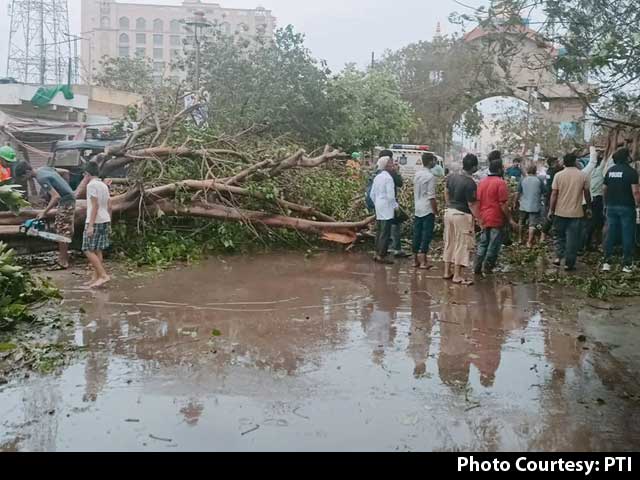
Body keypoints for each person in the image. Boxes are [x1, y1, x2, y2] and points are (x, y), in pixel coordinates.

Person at [14, 161, 77, 269]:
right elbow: (65, 172)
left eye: (24, 177)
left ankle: (63, 262)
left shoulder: (41, 178)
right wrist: (67, 188)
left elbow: (56, 196)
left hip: (66, 202)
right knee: (62, 229)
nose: (25, 179)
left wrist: (44, 212)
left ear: (28, 171)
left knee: (62, 232)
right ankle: (62, 258)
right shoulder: (44, 168)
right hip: (68, 200)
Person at [548, 153, 591, 271]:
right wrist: (588, 207)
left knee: (559, 236)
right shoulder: (583, 175)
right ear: (575, 161)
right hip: (576, 213)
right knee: (573, 239)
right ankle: (569, 263)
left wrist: (551, 210)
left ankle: (558, 257)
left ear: (564, 162)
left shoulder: (558, 175)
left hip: (560, 212)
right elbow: (587, 194)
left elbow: (554, 194)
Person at [474, 159, 517, 275]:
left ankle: (477, 266)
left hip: (484, 217)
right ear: (499, 170)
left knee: (483, 243)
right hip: (496, 218)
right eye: (502, 168)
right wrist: (510, 219)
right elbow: (503, 204)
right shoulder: (500, 183)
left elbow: (477, 201)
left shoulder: (482, 182)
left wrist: (478, 218)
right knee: (493, 245)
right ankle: (487, 268)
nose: (503, 170)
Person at [443, 153, 480, 285]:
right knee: (462, 244)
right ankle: (457, 275)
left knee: (449, 241)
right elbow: (471, 204)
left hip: (449, 212)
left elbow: (446, 191)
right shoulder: (470, 183)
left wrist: (449, 204)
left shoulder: (451, 177)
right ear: (474, 167)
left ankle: (447, 271)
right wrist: (479, 219)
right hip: (462, 215)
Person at [602, 148, 640, 273]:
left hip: (611, 207)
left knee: (610, 234)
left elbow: (604, 189)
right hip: (627, 207)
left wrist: (605, 204)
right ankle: (627, 264)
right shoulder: (631, 172)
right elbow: (635, 192)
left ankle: (607, 262)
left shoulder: (610, 171)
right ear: (626, 157)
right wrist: (638, 205)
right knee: (627, 234)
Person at [82, 161, 112, 288]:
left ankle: (103, 275)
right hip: (104, 219)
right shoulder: (103, 185)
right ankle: (96, 277)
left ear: (87, 174)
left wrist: (90, 225)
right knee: (97, 249)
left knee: (87, 249)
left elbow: (95, 206)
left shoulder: (91, 185)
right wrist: (109, 221)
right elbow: (110, 205)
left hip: (95, 221)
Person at [370, 156, 399, 264]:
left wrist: (377, 203)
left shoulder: (377, 177)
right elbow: (391, 196)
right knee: (385, 232)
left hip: (378, 205)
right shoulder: (388, 178)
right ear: (386, 166)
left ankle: (376, 252)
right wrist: (395, 206)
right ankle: (382, 255)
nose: (393, 166)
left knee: (379, 230)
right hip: (387, 206)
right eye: (391, 164)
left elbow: (372, 194)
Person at [413, 152, 438, 269]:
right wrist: (436, 211)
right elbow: (431, 196)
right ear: (430, 161)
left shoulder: (417, 174)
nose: (435, 162)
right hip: (427, 209)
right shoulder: (430, 176)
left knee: (416, 233)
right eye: (434, 160)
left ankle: (415, 260)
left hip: (417, 208)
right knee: (426, 235)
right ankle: (423, 261)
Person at [582, 146, 607, 251]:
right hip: (597, 199)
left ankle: (586, 244)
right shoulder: (600, 170)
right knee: (596, 223)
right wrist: (604, 150)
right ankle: (593, 244)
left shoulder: (587, 171)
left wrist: (594, 150)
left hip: (590, 200)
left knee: (589, 223)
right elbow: (606, 157)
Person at [517, 164, 546, 247]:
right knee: (532, 225)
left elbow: (518, 192)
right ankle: (529, 242)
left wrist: (515, 202)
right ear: (535, 171)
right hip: (535, 205)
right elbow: (544, 192)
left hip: (523, 205)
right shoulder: (539, 180)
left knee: (521, 222)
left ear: (527, 170)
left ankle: (519, 239)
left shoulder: (523, 179)